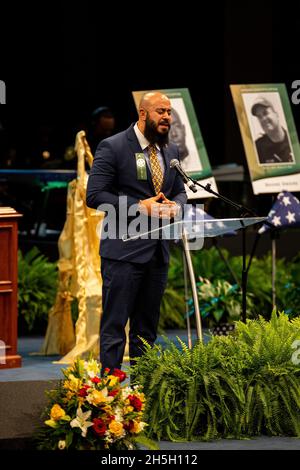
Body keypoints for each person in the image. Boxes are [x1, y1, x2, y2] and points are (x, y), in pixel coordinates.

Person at [86, 91, 187, 373]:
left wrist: (175, 207)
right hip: (123, 252)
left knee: (147, 330)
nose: (167, 117)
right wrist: (139, 207)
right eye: (161, 112)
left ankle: (143, 396)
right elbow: (94, 196)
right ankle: (109, 399)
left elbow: (179, 192)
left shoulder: (172, 151)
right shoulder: (114, 146)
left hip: (157, 252)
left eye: (169, 112)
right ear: (143, 114)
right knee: (115, 327)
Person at [251, 96, 294, 164]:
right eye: (259, 116)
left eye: (265, 113)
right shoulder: (257, 148)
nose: (263, 119)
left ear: (276, 114)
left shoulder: (294, 140)